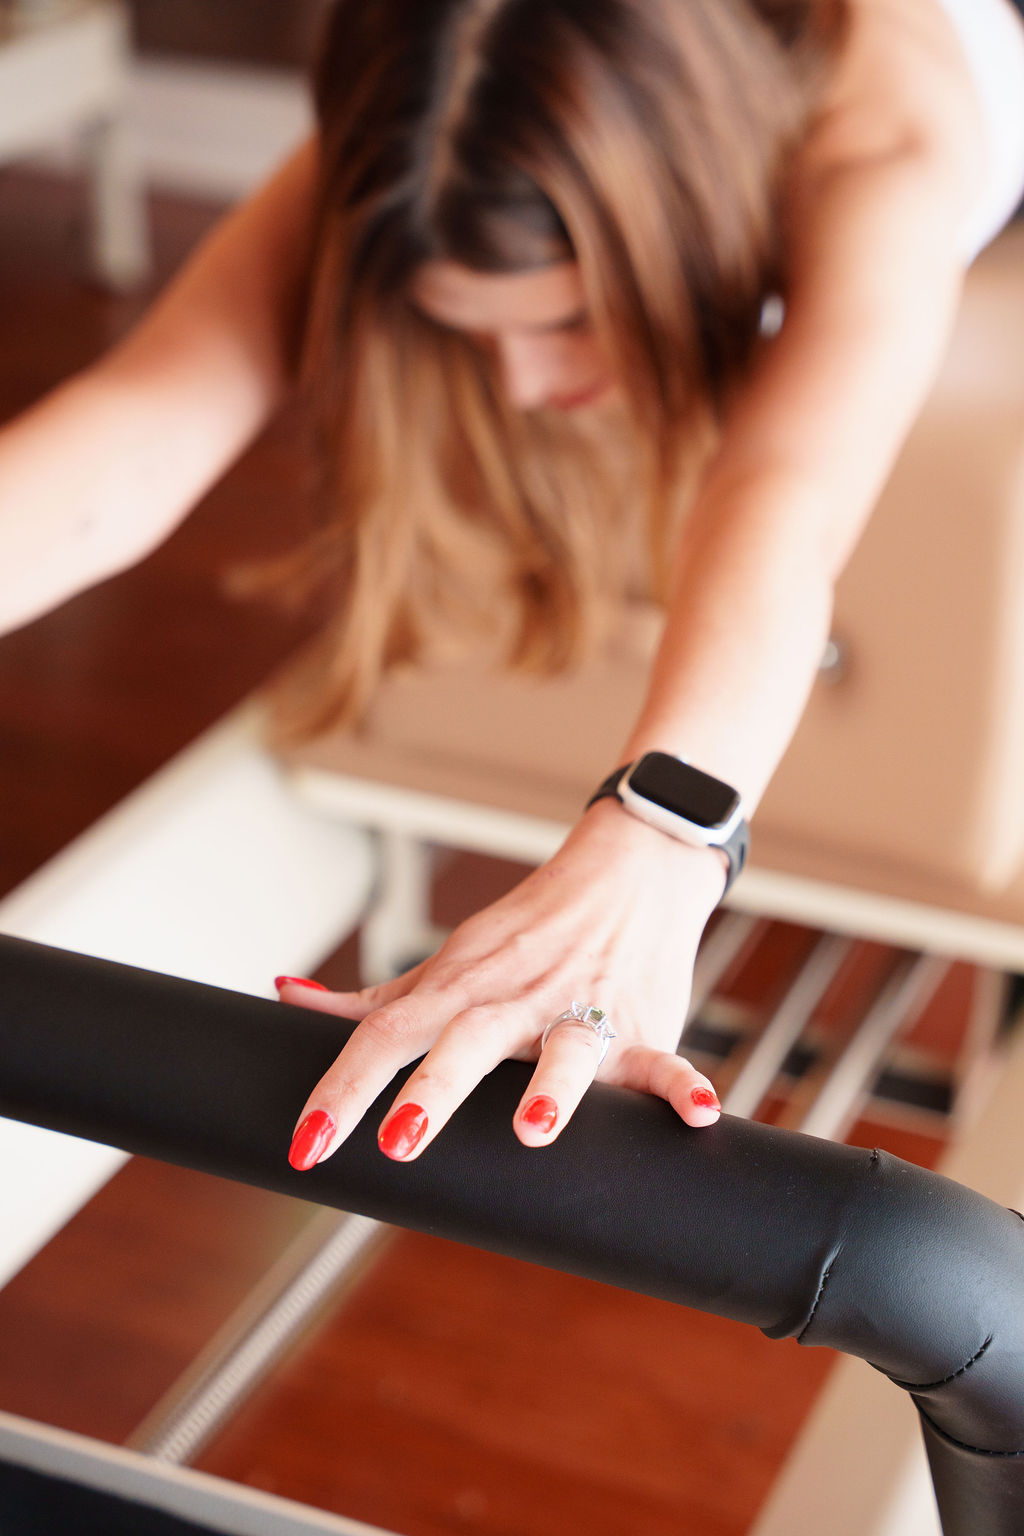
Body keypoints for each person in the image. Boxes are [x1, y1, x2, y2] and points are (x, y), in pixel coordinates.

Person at [2, 0, 1023, 1172]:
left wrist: (657, 838)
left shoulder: (879, 148)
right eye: (476, 334)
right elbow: (135, 437)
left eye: (569, 320)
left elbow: (779, 503)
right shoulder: (449, 108)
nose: (528, 385)